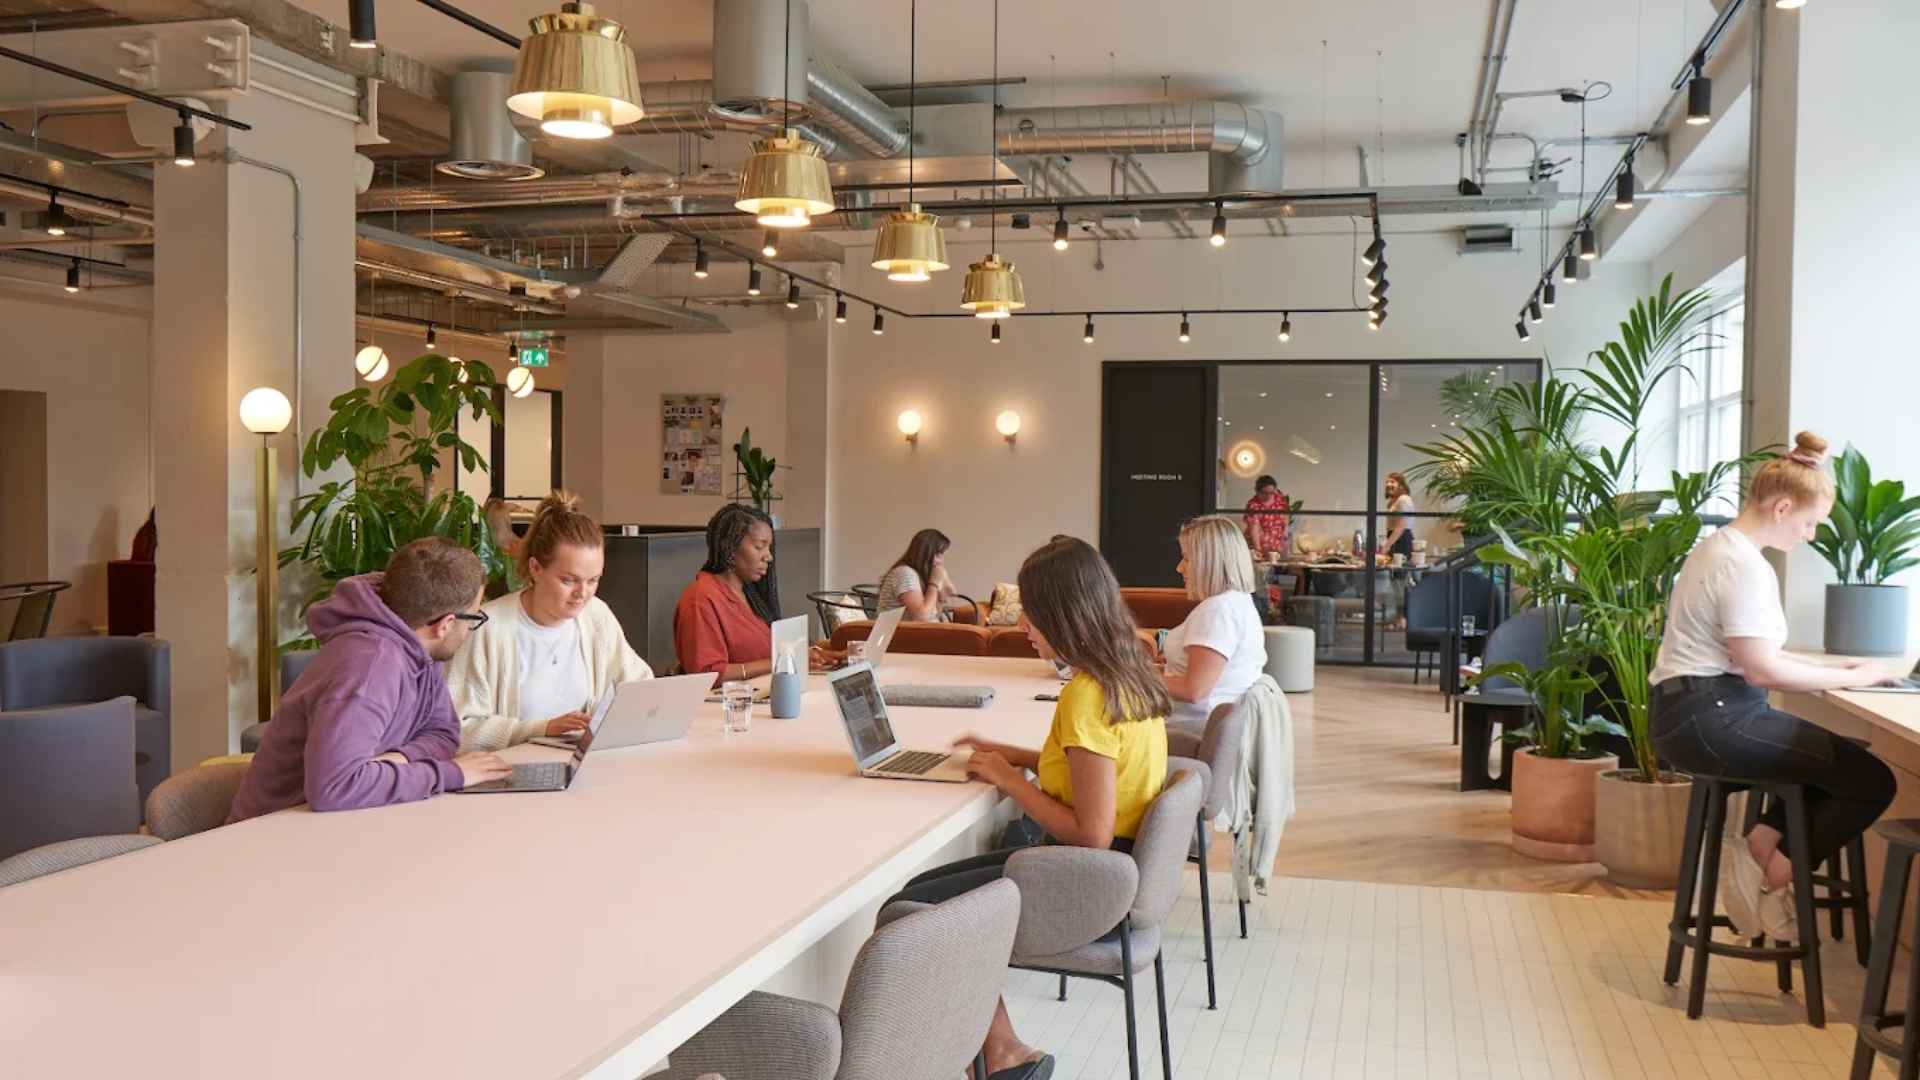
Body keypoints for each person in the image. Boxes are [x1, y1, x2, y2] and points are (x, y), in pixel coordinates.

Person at [883, 536, 1170, 1080]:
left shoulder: (1087, 693)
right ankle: (1002, 1054)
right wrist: (1014, 757)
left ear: (1063, 616)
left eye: (1031, 615)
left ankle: (999, 1056)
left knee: (912, 913)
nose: (1021, 627)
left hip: (1083, 877)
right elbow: (1099, 770)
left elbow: (1092, 833)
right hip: (1115, 875)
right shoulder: (1127, 672)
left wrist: (1010, 779)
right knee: (924, 897)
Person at [1649, 432, 1902, 943]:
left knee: (1826, 762)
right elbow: (1760, 670)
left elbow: (1749, 652)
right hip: (1714, 716)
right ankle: (1773, 881)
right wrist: (1855, 677)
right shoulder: (1744, 566)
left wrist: (1846, 668)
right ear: (1783, 507)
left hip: (1694, 711)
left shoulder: (1718, 548)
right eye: (1810, 523)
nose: (1809, 536)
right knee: (1873, 782)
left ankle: (1758, 850)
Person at [227, 538, 512, 822]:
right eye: (473, 618)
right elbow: (335, 787)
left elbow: (443, 734)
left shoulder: (421, 650)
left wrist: (396, 760)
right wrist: (453, 774)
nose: (471, 629)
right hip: (273, 835)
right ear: (445, 624)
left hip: (342, 823)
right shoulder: (370, 667)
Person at [446, 491, 654, 752]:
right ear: (535, 569)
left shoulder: (596, 616)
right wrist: (540, 729)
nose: (583, 594)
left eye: (593, 581)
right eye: (569, 580)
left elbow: (640, 686)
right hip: (508, 778)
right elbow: (455, 730)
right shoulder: (485, 628)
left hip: (581, 768)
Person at [674, 503, 824, 679]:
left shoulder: (750, 594)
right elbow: (707, 674)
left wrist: (824, 653)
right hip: (731, 703)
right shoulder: (701, 600)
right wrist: (781, 661)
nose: (769, 557)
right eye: (760, 547)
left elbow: (763, 652)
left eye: (769, 548)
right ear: (728, 547)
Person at [1161, 516, 1268, 728]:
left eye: (1187, 558)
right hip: (1203, 725)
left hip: (1190, 729)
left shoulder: (1218, 612)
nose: (1179, 568)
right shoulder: (1237, 602)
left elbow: (1194, 690)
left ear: (1209, 561)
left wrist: (1132, 678)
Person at [878, 528, 958, 622]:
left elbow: (935, 615)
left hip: (926, 633)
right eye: (938, 556)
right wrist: (933, 584)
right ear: (925, 554)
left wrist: (941, 593)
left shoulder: (919, 577)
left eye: (943, 557)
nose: (941, 562)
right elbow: (921, 618)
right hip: (902, 634)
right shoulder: (905, 573)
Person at [1243, 474, 1290, 558]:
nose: (1268, 496)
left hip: (1277, 545)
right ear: (1258, 491)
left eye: (1271, 493)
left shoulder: (1279, 499)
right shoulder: (1253, 505)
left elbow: (1285, 520)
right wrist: (1258, 549)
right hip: (1260, 545)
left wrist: (1285, 540)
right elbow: (1254, 530)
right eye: (1264, 493)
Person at [1382, 472, 1417, 562]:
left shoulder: (1403, 500)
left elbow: (1400, 526)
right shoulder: (1394, 501)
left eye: (1392, 481)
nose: (1389, 484)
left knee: (1399, 570)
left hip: (1402, 538)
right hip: (1395, 537)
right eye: (1387, 482)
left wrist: (1386, 546)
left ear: (1400, 485)